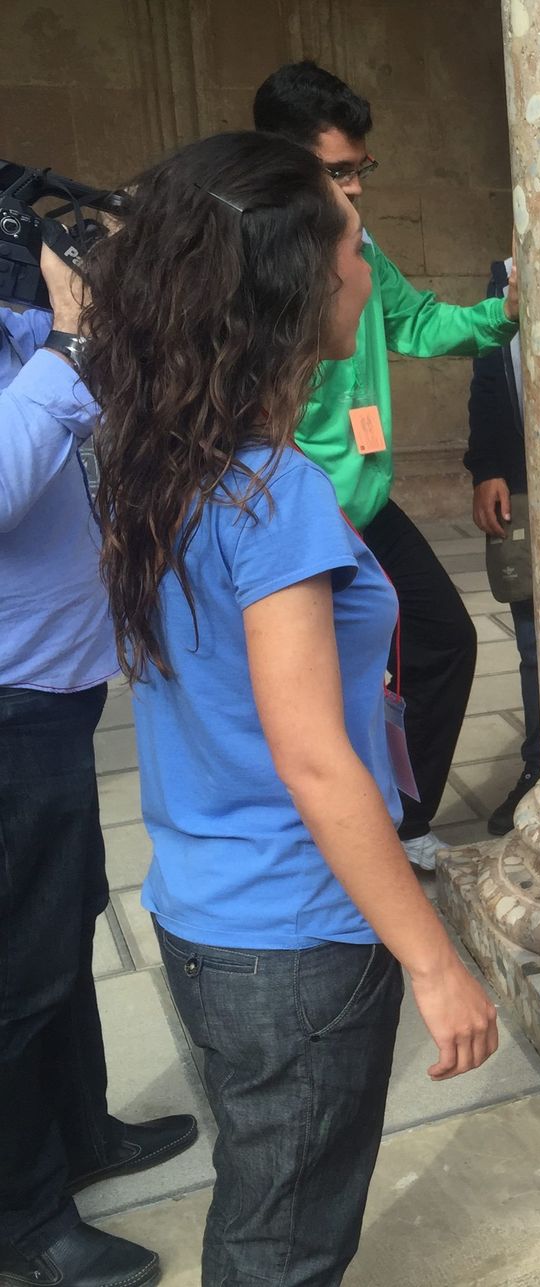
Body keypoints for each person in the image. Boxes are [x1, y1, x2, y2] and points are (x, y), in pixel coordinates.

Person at [84, 131, 499, 1282]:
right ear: (296, 285)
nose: (368, 274)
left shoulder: (162, 457)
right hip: (294, 933)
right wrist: (433, 957)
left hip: (206, 903)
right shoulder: (278, 500)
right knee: (287, 1240)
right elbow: (316, 760)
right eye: (356, 249)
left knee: (266, 1190)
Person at [255, 60, 521, 872]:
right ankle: (340, 841)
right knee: (326, 689)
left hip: (364, 505)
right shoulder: (259, 264)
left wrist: (506, 311)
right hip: (303, 516)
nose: (355, 190)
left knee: (440, 642)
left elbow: (419, 322)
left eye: (359, 170)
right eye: (337, 171)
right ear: (282, 163)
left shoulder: (360, 245)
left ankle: (401, 824)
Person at [1, 250, 196, 1286]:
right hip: (8, 712)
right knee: (16, 972)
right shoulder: (39, 354)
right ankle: (22, 1217)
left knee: (63, 930)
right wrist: (66, 347)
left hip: (53, 702)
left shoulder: (23, 337)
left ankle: (81, 1135)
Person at [465, 256, 540, 833]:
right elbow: (489, 376)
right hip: (522, 482)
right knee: (533, 640)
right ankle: (538, 767)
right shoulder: (503, 275)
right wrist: (487, 466)